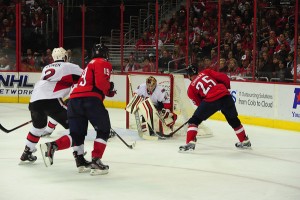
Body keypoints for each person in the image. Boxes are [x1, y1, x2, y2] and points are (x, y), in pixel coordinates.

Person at [40, 42, 116, 176]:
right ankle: (96, 161)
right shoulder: (102, 62)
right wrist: (109, 88)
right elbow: (100, 83)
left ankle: (64, 152)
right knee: (104, 130)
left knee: (77, 134)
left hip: (74, 100)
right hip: (90, 100)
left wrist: (107, 89)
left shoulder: (88, 66)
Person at [19, 47, 84, 164]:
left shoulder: (46, 68)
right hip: (51, 100)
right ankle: (79, 157)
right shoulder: (68, 66)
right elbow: (85, 77)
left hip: (34, 101)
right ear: (65, 57)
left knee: (38, 127)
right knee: (77, 126)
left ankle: (27, 152)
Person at [179, 65, 251, 152]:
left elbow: (199, 103)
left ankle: (190, 142)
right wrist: (223, 89)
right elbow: (224, 78)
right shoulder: (206, 72)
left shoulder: (190, 89)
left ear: (189, 76)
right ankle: (245, 140)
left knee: (194, 120)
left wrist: (208, 107)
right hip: (226, 95)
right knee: (233, 119)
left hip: (211, 100)